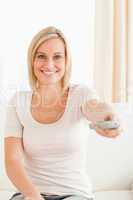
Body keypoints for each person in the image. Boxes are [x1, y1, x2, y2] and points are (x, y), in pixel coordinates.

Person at [4, 26, 122, 200]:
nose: (49, 64)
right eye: (41, 56)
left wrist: (110, 116)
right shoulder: (17, 102)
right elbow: (12, 160)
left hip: (74, 194)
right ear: (32, 61)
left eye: (57, 56)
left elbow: (97, 108)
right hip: (31, 195)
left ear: (67, 61)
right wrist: (33, 196)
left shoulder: (81, 94)